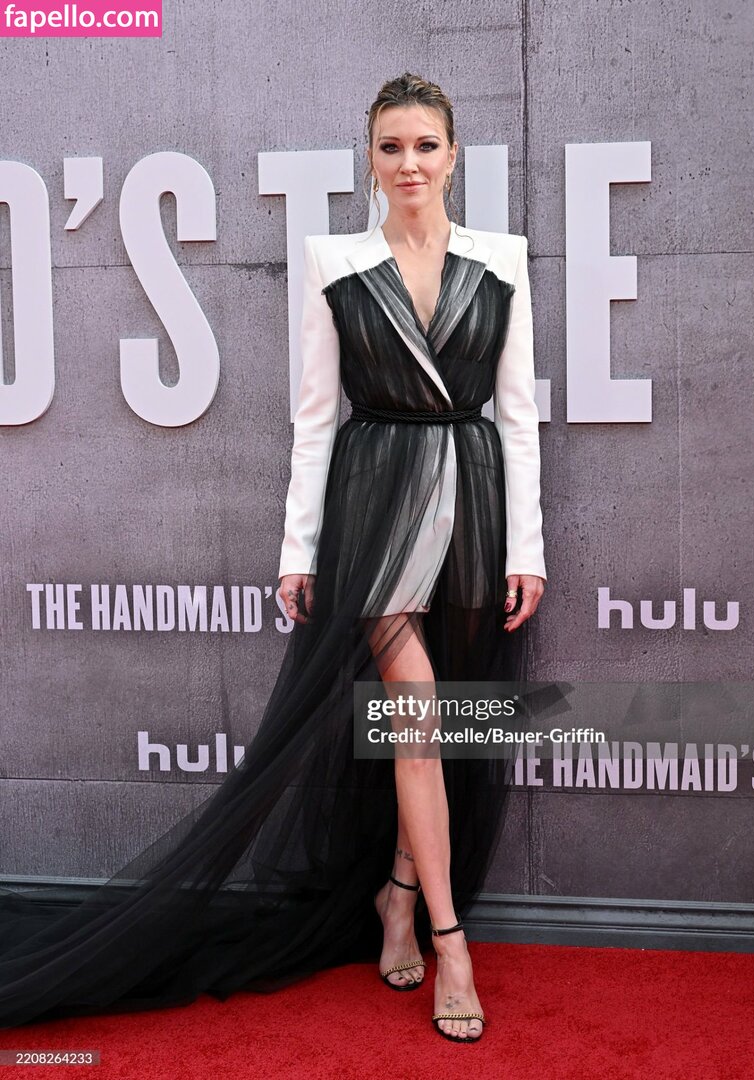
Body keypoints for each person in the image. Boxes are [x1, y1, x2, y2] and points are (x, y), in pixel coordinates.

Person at [0, 72, 558, 1043]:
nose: (410, 164)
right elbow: (314, 419)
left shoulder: (501, 258)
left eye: (426, 145)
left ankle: (396, 894)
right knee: (418, 714)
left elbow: (517, 418)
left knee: (430, 727)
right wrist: (298, 548)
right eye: (392, 147)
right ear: (370, 159)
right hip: (374, 500)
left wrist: (529, 547)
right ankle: (451, 942)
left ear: (454, 156)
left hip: (471, 499)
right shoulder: (335, 261)